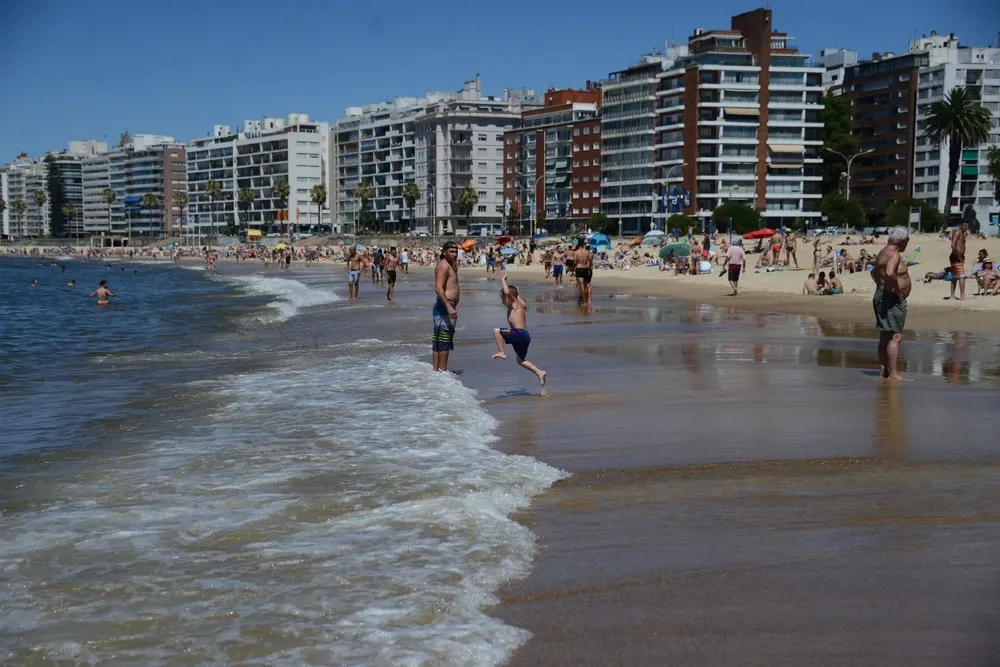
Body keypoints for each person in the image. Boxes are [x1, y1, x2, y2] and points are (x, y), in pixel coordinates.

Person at [492, 271, 547, 393]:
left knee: (496, 331)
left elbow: (507, 292)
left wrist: (503, 280)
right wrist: (518, 293)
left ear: (509, 298)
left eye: (503, 299)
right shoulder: (521, 305)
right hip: (525, 336)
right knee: (520, 360)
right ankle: (539, 372)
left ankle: (502, 352)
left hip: (518, 333)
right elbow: (517, 298)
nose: (502, 301)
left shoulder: (514, 305)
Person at [871, 227, 912, 381]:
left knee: (885, 337)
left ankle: (884, 372)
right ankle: (894, 374)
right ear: (902, 241)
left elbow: (874, 272)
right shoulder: (894, 254)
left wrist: (880, 286)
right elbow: (889, 273)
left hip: (882, 296)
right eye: (907, 241)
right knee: (896, 337)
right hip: (890, 298)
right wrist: (897, 291)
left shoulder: (883, 252)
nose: (907, 243)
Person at [432, 241, 461, 372]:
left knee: (440, 340)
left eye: (456, 251)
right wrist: (449, 306)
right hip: (445, 305)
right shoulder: (443, 266)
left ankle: (437, 371)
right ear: (444, 252)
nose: (455, 254)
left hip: (445, 305)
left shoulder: (450, 265)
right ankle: (443, 372)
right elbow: (438, 288)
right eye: (452, 251)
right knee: (444, 340)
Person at [947, 220, 969, 300]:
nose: (966, 227)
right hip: (956, 256)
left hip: (957, 256)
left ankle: (952, 295)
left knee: (954, 276)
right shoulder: (958, 232)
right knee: (962, 276)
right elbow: (953, 245)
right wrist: (958, 255)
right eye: (965, 225)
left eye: (967, 225)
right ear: (960, 225)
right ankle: (962, 295)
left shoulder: (962, 233)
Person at [573, 240, 593, 305]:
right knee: (586, 285)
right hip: (586, 269)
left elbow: (575, 261)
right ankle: (587, 300)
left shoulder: (576, 252)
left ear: (578, 246)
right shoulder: (587, 252)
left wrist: (573, 268)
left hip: (579, 268)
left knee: (581, 286)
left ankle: (584, 302)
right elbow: (590, 261)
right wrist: (589, 269)